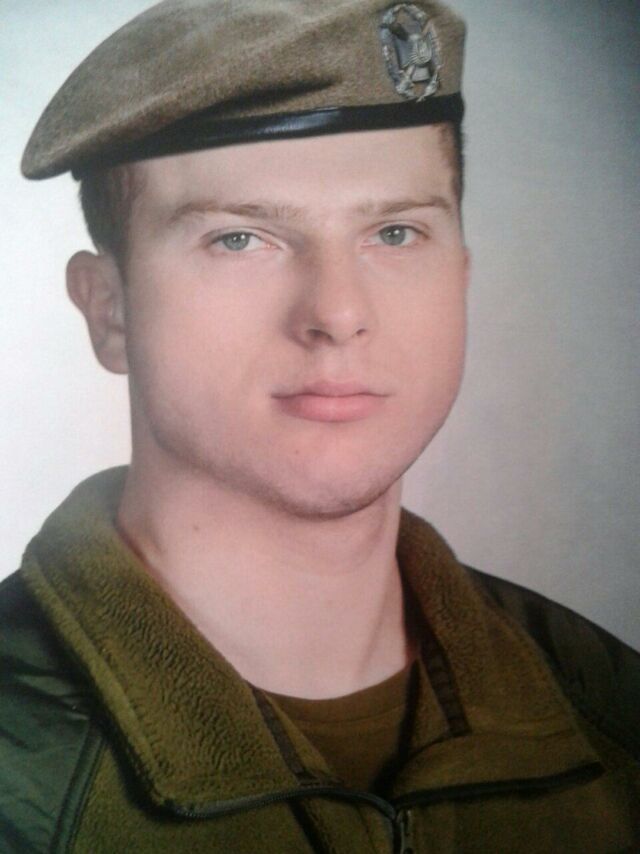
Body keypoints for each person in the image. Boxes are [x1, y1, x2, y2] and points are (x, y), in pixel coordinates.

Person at [1, 0, 638, 851]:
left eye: (395, 233)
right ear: (109, 309)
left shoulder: (610, 711)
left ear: (461, 276)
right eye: (241, 240)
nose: (338, 313)